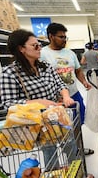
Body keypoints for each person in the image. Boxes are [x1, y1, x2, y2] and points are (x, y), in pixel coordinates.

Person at [0, 30, 95, 178]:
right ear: (21, 49)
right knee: (50, 154)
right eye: (34, 46)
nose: (39, 48)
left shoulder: (45, 67)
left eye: (39, 45)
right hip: (38, 124)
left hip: (58, 117)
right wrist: (39, 103)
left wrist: (65, 95)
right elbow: (8, 104)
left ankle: (77, 176)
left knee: (71, 147)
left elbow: (60, 84)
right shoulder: (10, 73)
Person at [40, 23, 94, 156]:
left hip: (74, 95)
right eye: (61, 37)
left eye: (65, 37)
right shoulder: (42, 54)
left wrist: (84, 82)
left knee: (77, 123)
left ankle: (78, 148)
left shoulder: (70, 53)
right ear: (51, 36)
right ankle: (67, 152)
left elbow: (78, 70)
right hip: (54, 100)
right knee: (58, 129)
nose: (64, 40)